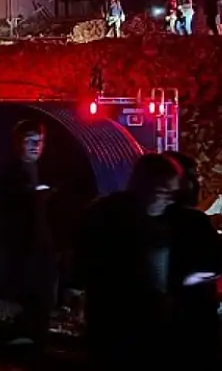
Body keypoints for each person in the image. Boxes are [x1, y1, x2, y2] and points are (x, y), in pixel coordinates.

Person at [77, 154, 222, 369]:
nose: (168, 199)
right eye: (163, 191)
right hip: (121, 327)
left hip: (143, 328)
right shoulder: (110, 217)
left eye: (172, 193)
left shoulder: (170, 220)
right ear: (145, 185)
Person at [0, 120, 55, 350]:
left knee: (44, 296)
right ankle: (28, 340)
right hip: (23, 246)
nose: (34, 146)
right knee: (30, 294)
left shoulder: (41, 169)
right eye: (28, 141)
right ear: (17, 143)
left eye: (38, 141)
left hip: (41, 245)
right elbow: (9, 210)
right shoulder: (10, 173)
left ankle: (35, 337)